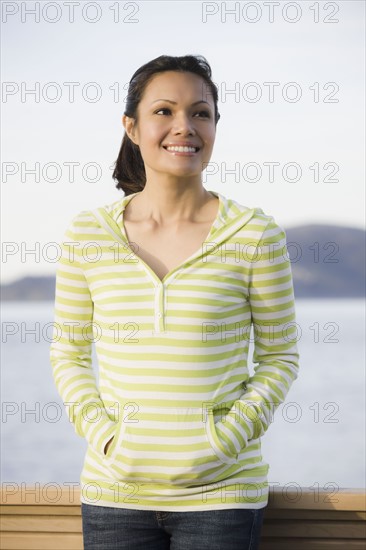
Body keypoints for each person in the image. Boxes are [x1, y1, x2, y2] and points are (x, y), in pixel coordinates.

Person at [50, 54, 300, 550]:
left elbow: (280, 357)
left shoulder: (254, 233)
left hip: (222, 495)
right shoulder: (88, 233)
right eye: (164, 111)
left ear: (214, 126)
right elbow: (68, 354)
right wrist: (107, 440)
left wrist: (223, 442)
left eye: (200, 113)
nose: (183, 126)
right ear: (132, 125)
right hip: (114, 494)